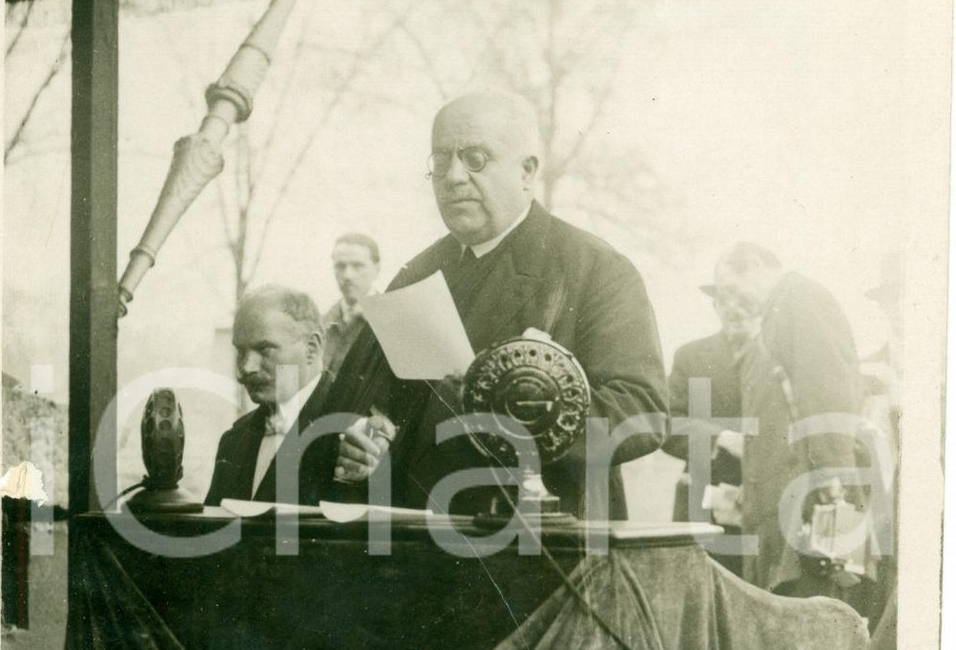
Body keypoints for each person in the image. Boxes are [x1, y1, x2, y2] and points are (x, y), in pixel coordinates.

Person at [324, 90, 668, 517]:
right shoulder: (416, 274)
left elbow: (642, 413)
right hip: (421, 549)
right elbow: (372, 409)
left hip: (542, 553)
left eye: (475, 158)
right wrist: (367, 444)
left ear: (527, 171)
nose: (452, 176)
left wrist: (511, 400)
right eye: (440, 160)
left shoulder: (594, 268)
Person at [710, 242, 867, 597]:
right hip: (782, 508)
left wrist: (833, 489)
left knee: (813, 613)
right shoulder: (776, 312)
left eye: (732, 289)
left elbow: (828, 394)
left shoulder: (802, 299)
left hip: (810, 506)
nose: (732, 302)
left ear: (754, 266)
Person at [205, 286, 335, 506]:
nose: (247, 367)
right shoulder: (233, 441)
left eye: (265, 350)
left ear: (312, 348)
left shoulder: (355, 430)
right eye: (241, 352)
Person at [663, 282, 760, 574]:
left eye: (744, 299)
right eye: (725, 299)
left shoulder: (780, 360)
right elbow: (666, 422)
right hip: (702, 504)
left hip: (764, 503)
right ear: (715, 306)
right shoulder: (691, 357)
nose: (734, 308)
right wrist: (720, 438)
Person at [323, 233, 381, 376]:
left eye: (358, 265)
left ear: (376, 269)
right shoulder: (320, 324)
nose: (347, 275)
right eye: (340, 266)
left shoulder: (391, 321)